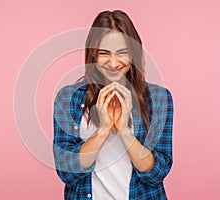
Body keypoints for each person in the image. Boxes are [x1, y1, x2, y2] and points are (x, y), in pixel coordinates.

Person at [53, 10, 173, 200]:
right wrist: (104, 129)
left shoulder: (158, 99)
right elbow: (67, 172)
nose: (114, 62)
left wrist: (125, 132)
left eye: (122, 53)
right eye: (104, 53)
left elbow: (157, 174)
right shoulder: (68, 98)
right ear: (92, 54)